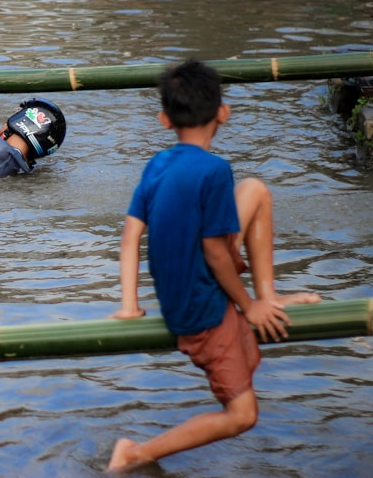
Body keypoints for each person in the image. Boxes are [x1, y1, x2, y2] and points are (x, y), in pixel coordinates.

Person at [107, 59, 321, 472]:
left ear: (164, 119)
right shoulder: (215, 170)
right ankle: (135, 453)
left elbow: (131, 237)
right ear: (223, 113)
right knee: (243, 414)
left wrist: (129, 304)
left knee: (256, 190)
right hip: (201, 311)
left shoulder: (157, 164)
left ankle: (270, 295)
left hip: (179, 295)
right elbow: (215, 252)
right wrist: (247, 305)